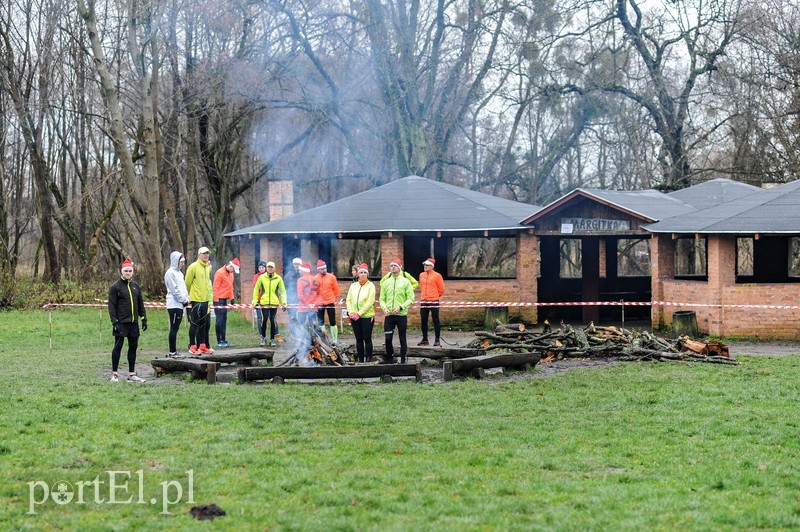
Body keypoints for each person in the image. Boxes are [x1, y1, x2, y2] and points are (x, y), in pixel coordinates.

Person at [108, 258, 147, 382]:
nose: (128, 273)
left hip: (133, 322)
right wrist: (114, 321)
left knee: (133, 347)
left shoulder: (135, 286)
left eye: (130, 271)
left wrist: (143, 318)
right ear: (122, 271)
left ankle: (132, 374)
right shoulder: (115, 287)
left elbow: (140, 303)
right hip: (121, 322)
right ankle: (114, 374)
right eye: (126, 271)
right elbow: (111, 305)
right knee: (118, 347)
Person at [379, 259, 415, 364]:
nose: (393, 267)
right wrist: (384, 308)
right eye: (391, 265)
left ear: (400, 268)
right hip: (389, 315)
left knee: (402, 338)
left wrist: (400, 307)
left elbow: (410, 298)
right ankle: (390, 359)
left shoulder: (405, 282)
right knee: (388, 338)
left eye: (395, 265)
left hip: (401, 315)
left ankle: (403, 360)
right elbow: (382, 298)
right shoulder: (386, 282)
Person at [185, 246, 214, 355]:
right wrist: (186, 298)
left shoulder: (208, 267)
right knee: (194, 324)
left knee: (204, 324)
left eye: (207, 253)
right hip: (196, 300)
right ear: (199, 255)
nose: (206, 255)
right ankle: (192, 346)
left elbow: (208, 284)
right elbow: (187, 283)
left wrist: (210, 299)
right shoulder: (193, 267)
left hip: (205, 300)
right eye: (204, 253)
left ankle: (202, 345)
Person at [252, 261, 287, 347]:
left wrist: (284, 303)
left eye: (271, 267)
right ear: (266, 268)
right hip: (264, 302)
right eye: (268, 267)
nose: (270, 269)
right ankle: (263, 338)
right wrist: (256, 301)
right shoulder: (262, 277)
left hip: (274, 302)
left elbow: (282, 291)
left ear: (274, 268)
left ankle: (272, 339)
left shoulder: (278, 278)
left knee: (272, 320)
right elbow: (256, 289)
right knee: (264, 320)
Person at [346, 263, 376, 363]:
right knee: (358, 339)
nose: (362, 274)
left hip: (366, 316)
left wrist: (359, 313)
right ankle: (360, 359)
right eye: (361, 272)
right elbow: (348, 300)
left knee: (367, 338)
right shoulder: (353, 286)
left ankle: (368, 359)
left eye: (364, 273)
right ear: (358, 274)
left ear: (367, 274)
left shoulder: (371, 286)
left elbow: (370, 301)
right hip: (354, 316)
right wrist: (351, 313)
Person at [164, 251, 190, 358]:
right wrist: (183, 300)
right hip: (174, 304)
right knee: (173, 328)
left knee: (176, 328)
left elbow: (183, 288)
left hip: (180, 304)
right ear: (176, 261)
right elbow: (174, 290)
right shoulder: (170, 273)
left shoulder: (180, 274)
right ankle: (172, 351)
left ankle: (174, 350)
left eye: (183, 262)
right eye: (181, 262)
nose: (182, 264)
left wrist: (186, 298)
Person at [213, 257, 240, 347]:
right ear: (230, 266)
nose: (233, 271)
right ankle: (219, 341)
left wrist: (232, 298)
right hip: (218, 300)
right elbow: (215, 288)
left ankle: (224, 340)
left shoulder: (231, 274)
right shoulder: (219, 273)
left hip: (224, 300)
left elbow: (230, 287)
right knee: (219, 320)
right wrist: (216, 301)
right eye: (233, 269)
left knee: (224, 320)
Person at [418, 257, 446, 346]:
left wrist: (436, 296)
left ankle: (437, 340)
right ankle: (424, 339)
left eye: (427, 265)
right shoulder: (421, 275)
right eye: (424, 265)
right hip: (424, 300)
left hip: (433, 300)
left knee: (436, 320)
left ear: (432, 266)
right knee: (423, 320)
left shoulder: (437, 275)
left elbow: (441, 288)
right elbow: (421, 286)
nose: (425, 266)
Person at [314, 259, 340, 344]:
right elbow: (314, 291)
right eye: (322, 269)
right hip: (320, 303)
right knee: (321, 322)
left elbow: (336, 290)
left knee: (332, 321)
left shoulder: (332, 277)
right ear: (318, 270)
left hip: (330, 302)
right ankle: (324, 339)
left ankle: (335, 339)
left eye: (325, 268)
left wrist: (334, 299)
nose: (324, 270)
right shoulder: (315, 278)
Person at [283, 257, 303, 339]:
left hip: (301, 300)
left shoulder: (303, 275)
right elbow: (285, 288)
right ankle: (293, 335)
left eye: (298, 264)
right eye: (295, 264)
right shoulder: (288, 275)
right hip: (291, 299)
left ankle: (301, 334)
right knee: (292, 318)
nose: (296, 266)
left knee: (301, 318)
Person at [296, 262, 317, 328]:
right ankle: (315, 338)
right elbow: (318, 294)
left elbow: (300, 295)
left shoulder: (300, 280)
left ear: (303, 271)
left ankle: (303, 338)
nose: (299, 272)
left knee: (301, 325)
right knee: (313, 325)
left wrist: (306, 304)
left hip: (303, 306)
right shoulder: (315, 279)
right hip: (313, 307)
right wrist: (314, 303)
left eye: (300, 270)